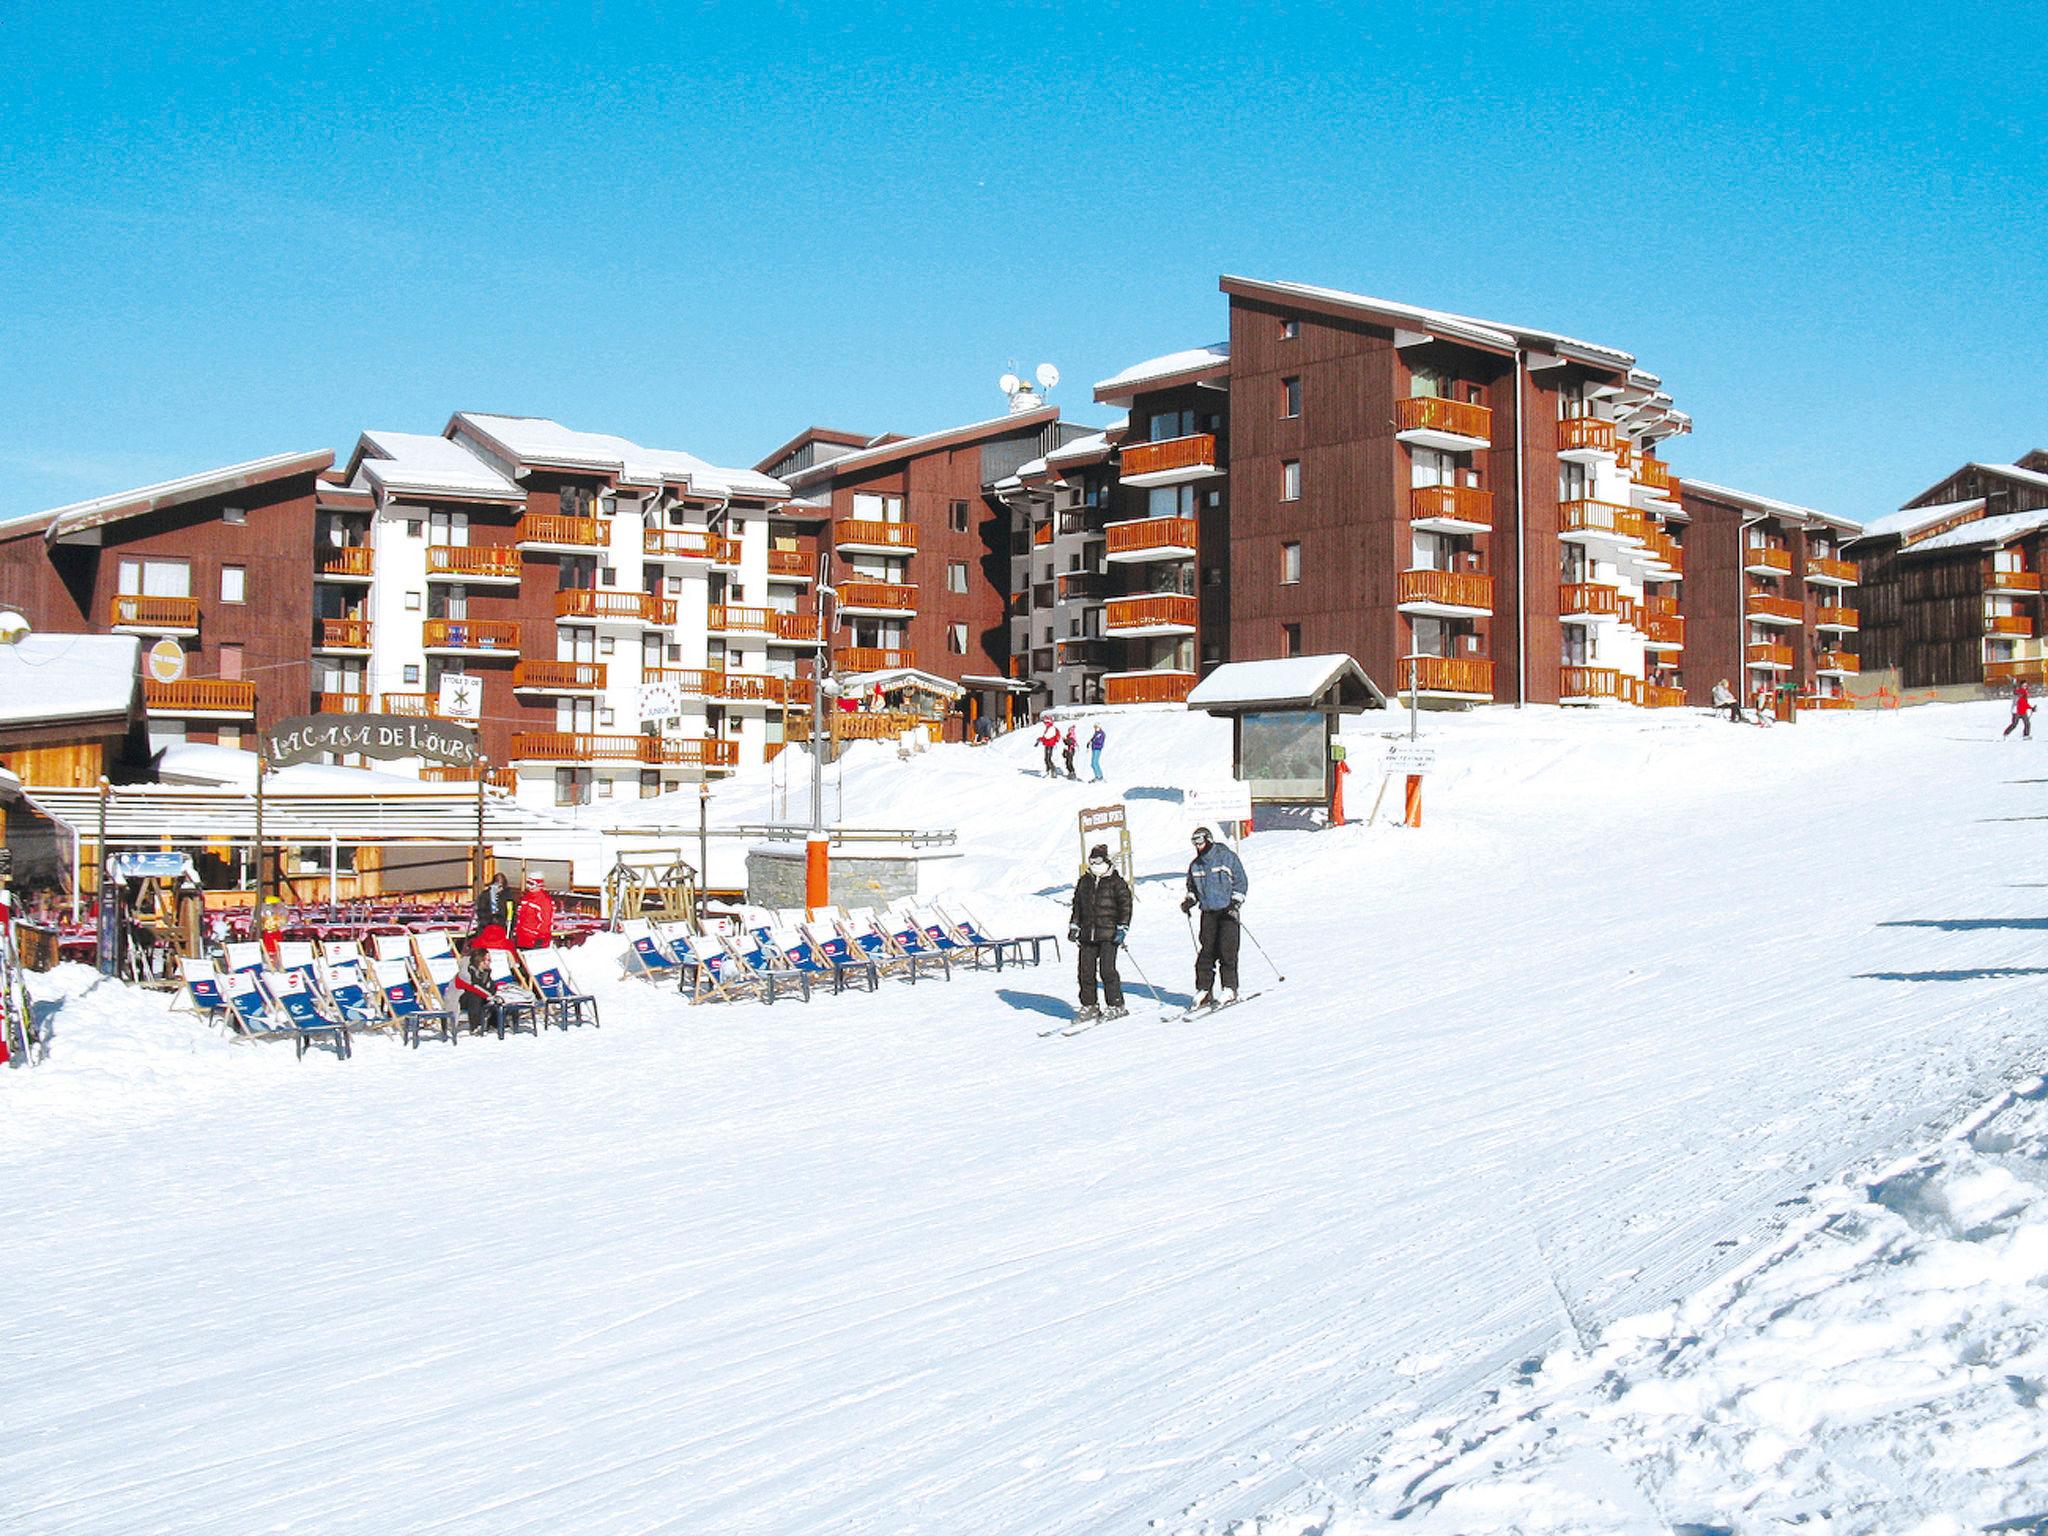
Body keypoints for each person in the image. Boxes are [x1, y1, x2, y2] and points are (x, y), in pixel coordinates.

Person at [1179, 826, 1248, 1009]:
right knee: (1206, 952)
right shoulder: (1195, 865)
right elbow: (1192, 888)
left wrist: (1235, 901)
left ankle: (1229, 988)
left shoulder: (1226, 857)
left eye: (1200, 842)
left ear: (1208, 840)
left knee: (1227, 950)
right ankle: (1204, 990)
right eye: (1195, 843)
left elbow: (1241, 881)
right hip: (1208, 912)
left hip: (1227, 910)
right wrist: (1189, 900)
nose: (1198, 846)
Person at [1067, 842, 1132, 1023]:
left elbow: (1125, 906)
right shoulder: (1085, 881)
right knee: (1085, 971)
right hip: (1088, 934)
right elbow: (1078, 905)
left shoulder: (1115, 882)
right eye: (1092, 861)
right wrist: (1074, 925)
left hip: (1108, 934)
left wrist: (1122, 927)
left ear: (1105, 861)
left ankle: (1116, 1004)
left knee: (1107, 970)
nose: (1094, 865)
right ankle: (1090, 1005)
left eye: (1098, 861)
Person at [513, 873, 555, 950]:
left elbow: (546, 922)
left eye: (531, 883)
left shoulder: (544, 900)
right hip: (521, 938)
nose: (528, 886)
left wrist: (541, 939)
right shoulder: (526, 897)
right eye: (527, 883)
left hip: (535, 941)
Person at [472, 871, 511, 951]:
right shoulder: (485, 895)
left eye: (501, 886)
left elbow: (510, 911)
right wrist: (490, 921)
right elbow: (480, 911)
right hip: (486, 928)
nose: (499, 888)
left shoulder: (507, 896)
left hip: (502, 928)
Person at [1037, 712, 1061, 777]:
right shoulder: (1048, 728)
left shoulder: (1051, 728)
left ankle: (1053, 770)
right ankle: (1048, 770)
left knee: (1048, 759)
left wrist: (1041, 739)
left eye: (1046, 722)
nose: (1045, 724)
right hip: (1047, 744)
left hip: (1050, 745)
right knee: (1046, 758)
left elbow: (1047, 737)